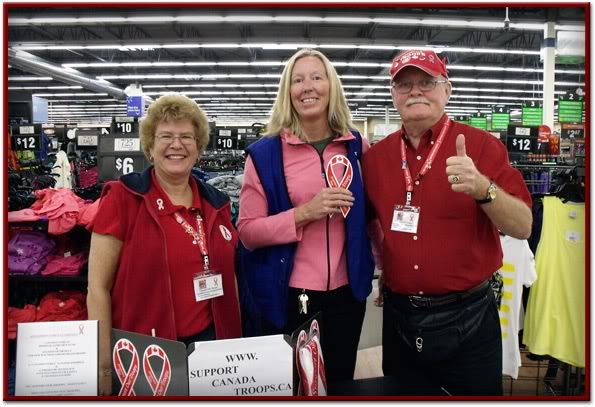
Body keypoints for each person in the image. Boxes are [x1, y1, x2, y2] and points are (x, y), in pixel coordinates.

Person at [363, 49, 532, 396]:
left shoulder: (482, 146)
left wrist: (484, 189)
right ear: (393, 95)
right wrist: (386, 266)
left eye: (426, 82)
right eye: (404, 84)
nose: (415, 92)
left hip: (469, 318)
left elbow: (524, 226)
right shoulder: (375, 159)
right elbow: (369, 224)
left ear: (447, 89)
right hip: (399, 320)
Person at [237, 48, 382, 383]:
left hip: (349, 294)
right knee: (296, 384)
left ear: (331, 87)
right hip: (291, 295)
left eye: (317, 77)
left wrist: (386, 267)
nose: (308, 87)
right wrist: (303, 214)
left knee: (341, 379)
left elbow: (371, 218)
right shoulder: (264, 155)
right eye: (298, 80)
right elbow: (248, 232)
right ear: (287, 91)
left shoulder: (357, 147)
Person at [87, 94, 241, 395]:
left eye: (186, 137)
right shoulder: (122, 199)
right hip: (145, 352)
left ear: (198, 148)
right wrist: (103, 365)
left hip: (210, 350)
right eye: (166, 136)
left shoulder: (217, 205)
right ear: (150, 147)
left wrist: (234, 346)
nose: (176, 145)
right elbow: (97, 288)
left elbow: (229, 278)